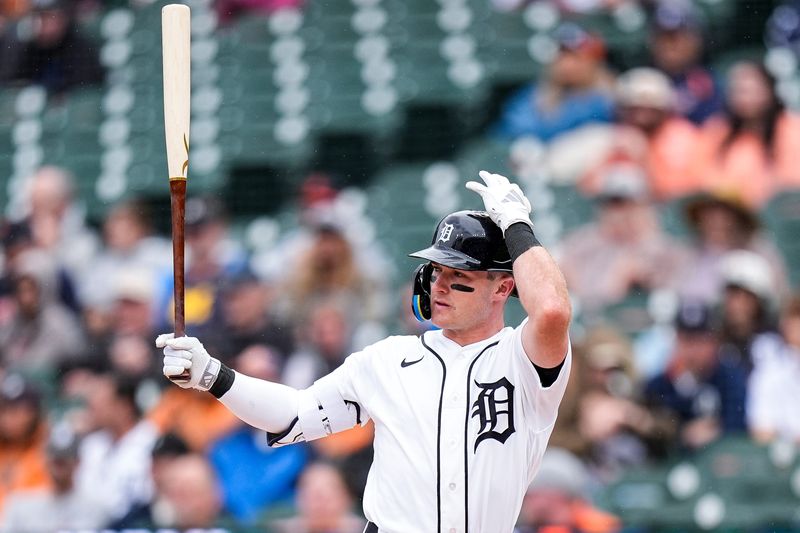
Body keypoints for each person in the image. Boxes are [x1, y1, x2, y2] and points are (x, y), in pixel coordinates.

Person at [156, 171, 572, 532]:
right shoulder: (389, 359)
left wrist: (517, 224)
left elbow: (552, 309)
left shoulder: (521, 359)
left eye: (459, 276)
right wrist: (212, 374)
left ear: (502, 287)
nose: (440, 286)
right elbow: (292, 414)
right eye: (436, 271)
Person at [691, 60, 800, 208]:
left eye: (751, 90)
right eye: (738, 90)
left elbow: (792, 181)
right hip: (732, 213)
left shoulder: (792, 128)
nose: (745, 98)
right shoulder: (717, 130)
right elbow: (701, 175)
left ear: (770, 90)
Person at [0, 425, 109, 533]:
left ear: (78, 461)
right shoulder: (20, 504)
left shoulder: (98, 509)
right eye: (55, 460)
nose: (58, 466)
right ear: (44, 460)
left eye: (64, 461)